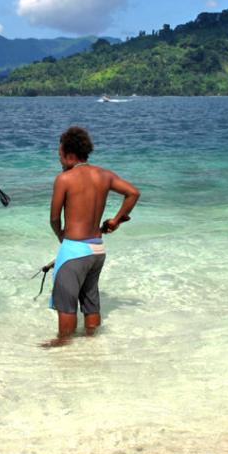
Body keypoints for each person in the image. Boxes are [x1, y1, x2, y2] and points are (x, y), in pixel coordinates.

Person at [46, 126, 140, 346]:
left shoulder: (64, 179)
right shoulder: (104, 175)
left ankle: (64, 349)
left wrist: (61, 236)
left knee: (66, 307)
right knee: (90, 305)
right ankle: (91, 347)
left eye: (60, 155)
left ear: (69, 154)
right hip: (97, 250)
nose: (59, 160)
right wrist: (116, 221)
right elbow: (133, 193)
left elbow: (53, 218)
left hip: (74, 251)